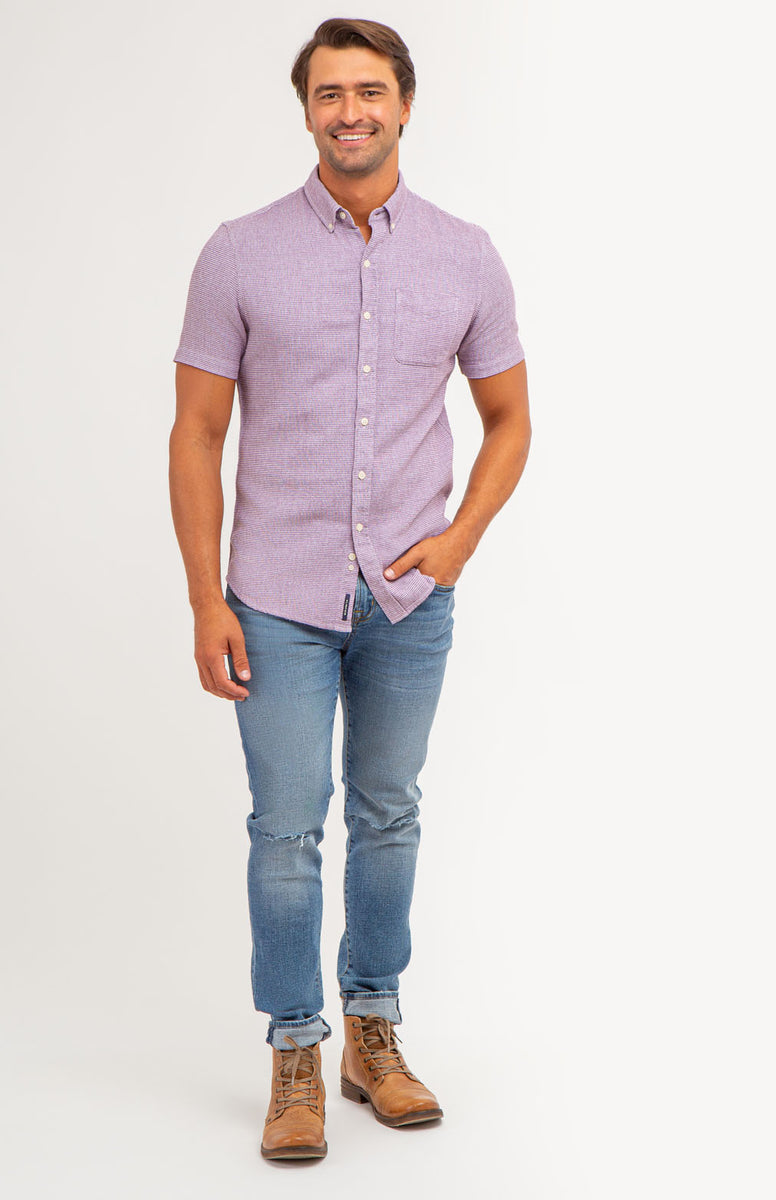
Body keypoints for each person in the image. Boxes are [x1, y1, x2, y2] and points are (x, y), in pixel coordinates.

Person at [168, 17, 530, 1161]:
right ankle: (294, 1051)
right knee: (285, 829)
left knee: (388, 813)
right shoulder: (237, 253)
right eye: (328, 94)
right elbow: (195, 434)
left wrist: (459, 541)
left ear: (404, 104)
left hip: (408, 604)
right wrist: (205, 600)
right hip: (274, 598)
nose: (349, 112)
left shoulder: (466, 255)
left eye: (368, 91)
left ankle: (373, 1034)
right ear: (306, 111)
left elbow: (509, 419)